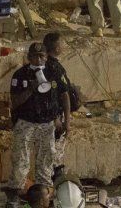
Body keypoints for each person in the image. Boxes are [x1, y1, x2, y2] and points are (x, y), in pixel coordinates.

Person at [8, 43, 68, 208]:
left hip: (46, 124)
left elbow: (61, 97)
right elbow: (14, 102)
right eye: (35, 56)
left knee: (46, 162)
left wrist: (60, 119)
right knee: (21, 161)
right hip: (25, 123)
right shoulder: (20, 75)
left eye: (41, 56)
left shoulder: (53, 73)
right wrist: (30, 89)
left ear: (46, 57)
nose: (38, 59)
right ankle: (15, 195)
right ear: (29, 57)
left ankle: (43, 198)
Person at [43, 32, 78, 181]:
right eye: (62, 43)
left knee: (47, 155)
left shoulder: (41, 66)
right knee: (55, 156)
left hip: (45, 118)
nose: (64, 46)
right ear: (57, 48)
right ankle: (53, 184)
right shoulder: (55, 68)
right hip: (54, 118)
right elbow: (64, 96)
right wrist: (66, 122)